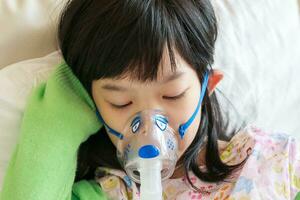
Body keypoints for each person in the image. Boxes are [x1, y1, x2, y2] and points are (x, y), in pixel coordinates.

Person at [0, 0, 299, 199]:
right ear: (92, 104)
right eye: (120, 103)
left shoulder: (276, 164)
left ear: (208, 86)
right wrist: (59, 119)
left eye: (172, 94)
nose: (148, 128)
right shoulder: (108, 193)